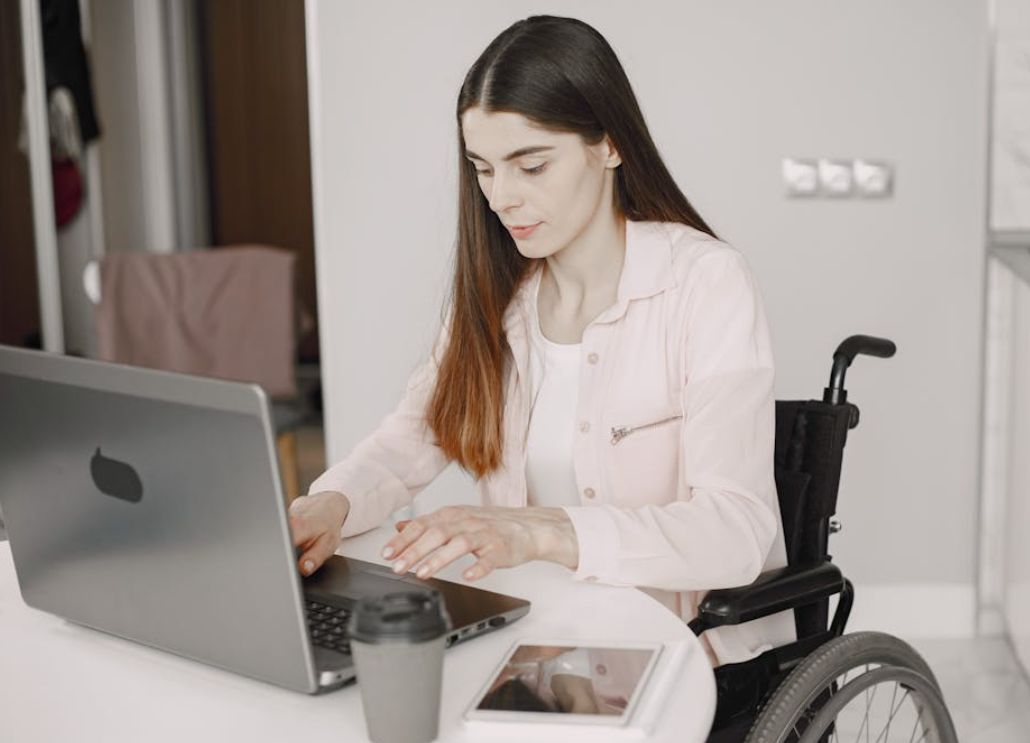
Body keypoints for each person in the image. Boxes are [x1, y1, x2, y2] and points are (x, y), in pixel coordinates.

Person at [287, 14, 793, 670]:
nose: (501, 197)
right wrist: (330, 503)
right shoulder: (500, 298)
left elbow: (736, 529)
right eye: (483, 169)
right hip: (541, 645)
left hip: (684, 653)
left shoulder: (704, 282)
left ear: (609, 146)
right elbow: (406, 443)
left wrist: (540, 530)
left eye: (530, 165)